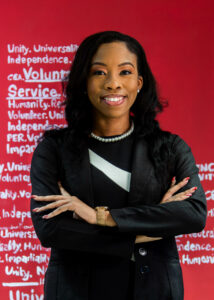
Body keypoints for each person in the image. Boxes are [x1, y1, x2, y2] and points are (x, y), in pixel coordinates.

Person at [30, 31, 207, 300]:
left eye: (124, 72)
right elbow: (50, 229)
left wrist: (100, 216)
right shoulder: (53, 150)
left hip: (154, 290)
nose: (113, 84)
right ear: (84, 82)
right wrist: (146, 231)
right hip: (75, 290)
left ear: (139, 82)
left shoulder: (170, 147)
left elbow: (193, 213)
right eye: (99, 72)